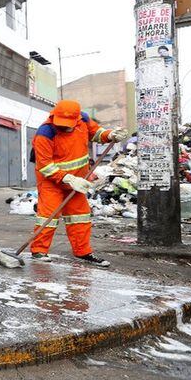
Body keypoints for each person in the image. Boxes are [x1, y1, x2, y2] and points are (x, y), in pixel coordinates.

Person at [31, 99, 128, 266]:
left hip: (77, 181)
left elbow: (97, 133)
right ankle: (39, 251)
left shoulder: (83, 119)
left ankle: (83, 252)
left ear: (76, 119)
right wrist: (67, 178)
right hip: (52, 182)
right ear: (54, 117)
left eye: (68, 124)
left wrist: (110, 135)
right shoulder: (45, 133)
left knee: (80, 217)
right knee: (48, 216)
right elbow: (44, 166)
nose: (65, 127)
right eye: (61, 123)